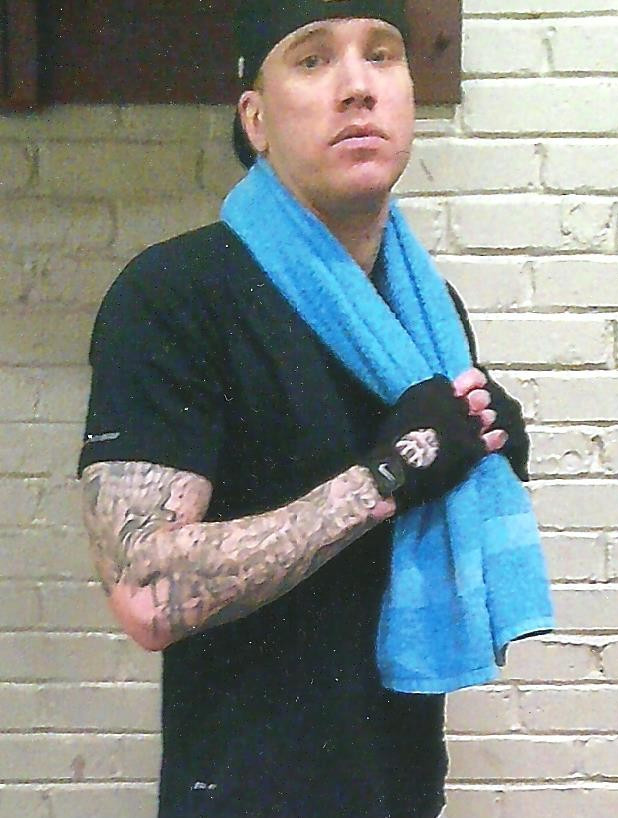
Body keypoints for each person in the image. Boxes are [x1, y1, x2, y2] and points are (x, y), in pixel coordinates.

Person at [79, 2, 550, 816]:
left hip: (401, 786)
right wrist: (387, 475)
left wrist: (485, 452)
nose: (358, 87)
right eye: (312, 59)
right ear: (256, 119)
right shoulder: (176, 295)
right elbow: (146, 594)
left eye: (382, 54)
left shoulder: (427, 314)